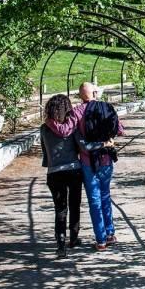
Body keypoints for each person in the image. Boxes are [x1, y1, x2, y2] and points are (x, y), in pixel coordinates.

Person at [46, 82, 123, 251]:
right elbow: (120, 130)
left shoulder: (78, 111)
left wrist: (50, 121)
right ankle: (110, 233)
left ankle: (101, 240)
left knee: (94, 200)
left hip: (88, 163)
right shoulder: (107, 107)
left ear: (80, 95)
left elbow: (65, 131)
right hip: (107, 160)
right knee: (105, 196)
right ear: (95, 93)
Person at [41, 94, 109, 257]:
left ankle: (60, 245)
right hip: (73, 171)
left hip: (54, 173)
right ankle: (73, 238)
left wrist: (51, 163)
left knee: (60, 209)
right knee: (74, 205)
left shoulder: (44, 128)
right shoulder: (72, 128)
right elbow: (84, 147)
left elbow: (45, 152)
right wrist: (103, 143)